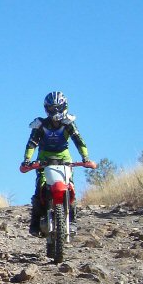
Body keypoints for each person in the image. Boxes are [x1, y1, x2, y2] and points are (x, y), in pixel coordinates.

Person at [19, 91, 92, 236]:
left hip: (64, 158)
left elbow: (79, 140)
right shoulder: (40, 124)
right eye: (52, 108)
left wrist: (85, 157)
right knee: (40, 185)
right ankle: (35, 222)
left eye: (58, 108)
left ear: (64, 106)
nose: (55, 112)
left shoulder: (68, 124)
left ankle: (72, 221)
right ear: (47, 109)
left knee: (69, 186)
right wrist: (27, 160)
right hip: (44, 159)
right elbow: (32, 143)